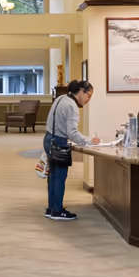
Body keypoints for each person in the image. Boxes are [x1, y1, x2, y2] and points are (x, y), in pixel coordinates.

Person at [43, 80, 94, 221]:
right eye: (89, 95)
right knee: (59, 176)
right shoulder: (72, 106)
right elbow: (72, 133)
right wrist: (89, 141)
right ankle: (58, 212)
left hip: (48, 139)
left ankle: (52, 208)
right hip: (58, 142)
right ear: (81, 91)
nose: (89, 100)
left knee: (53, 176)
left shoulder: (61, 98)